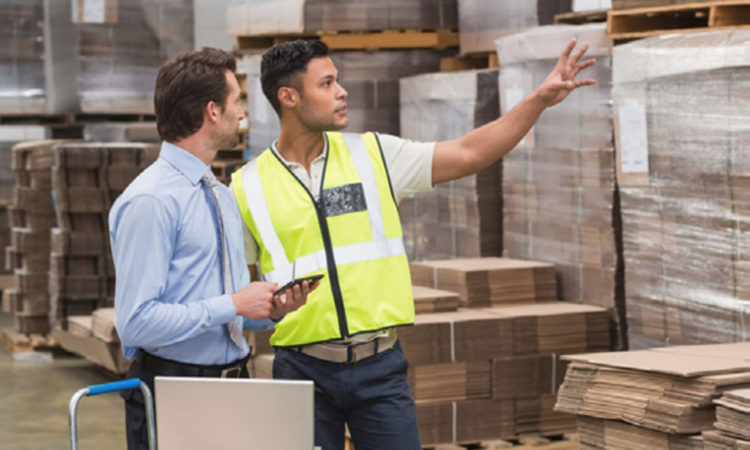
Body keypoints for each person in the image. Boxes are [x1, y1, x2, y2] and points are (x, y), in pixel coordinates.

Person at [230, 39, 596, 450]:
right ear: (289, 97)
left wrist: (538, 101)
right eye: (327, 83)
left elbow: (470, 152)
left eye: (338, 81)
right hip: (300, 373)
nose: (342, 91)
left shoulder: (374, 155)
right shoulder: (247, 187)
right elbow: (237, 294)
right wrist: (269, 312)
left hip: (379, 369)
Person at [109, 47, 317, 449]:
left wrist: (269, 310)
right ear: (211, 111)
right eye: (236, 101)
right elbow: (135, 323)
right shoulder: (151, 202)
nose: (242, 113)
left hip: (234, 386)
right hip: (173, 393)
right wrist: (233, 304)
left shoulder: (220, 197)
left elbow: (230, 309)